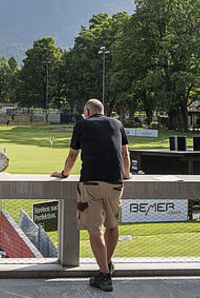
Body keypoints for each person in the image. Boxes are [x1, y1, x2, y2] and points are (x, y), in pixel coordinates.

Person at [51, 99, 131, 292]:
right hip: (115, 182)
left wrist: (64, 174)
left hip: (90, 184)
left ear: (87, 111)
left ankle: (104, 275)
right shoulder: (117, 123)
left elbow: (72, 155)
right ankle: (107, 265)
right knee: (112, 226)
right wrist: (127, 175)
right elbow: (125, 155)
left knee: (95, 229)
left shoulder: (82, 124)